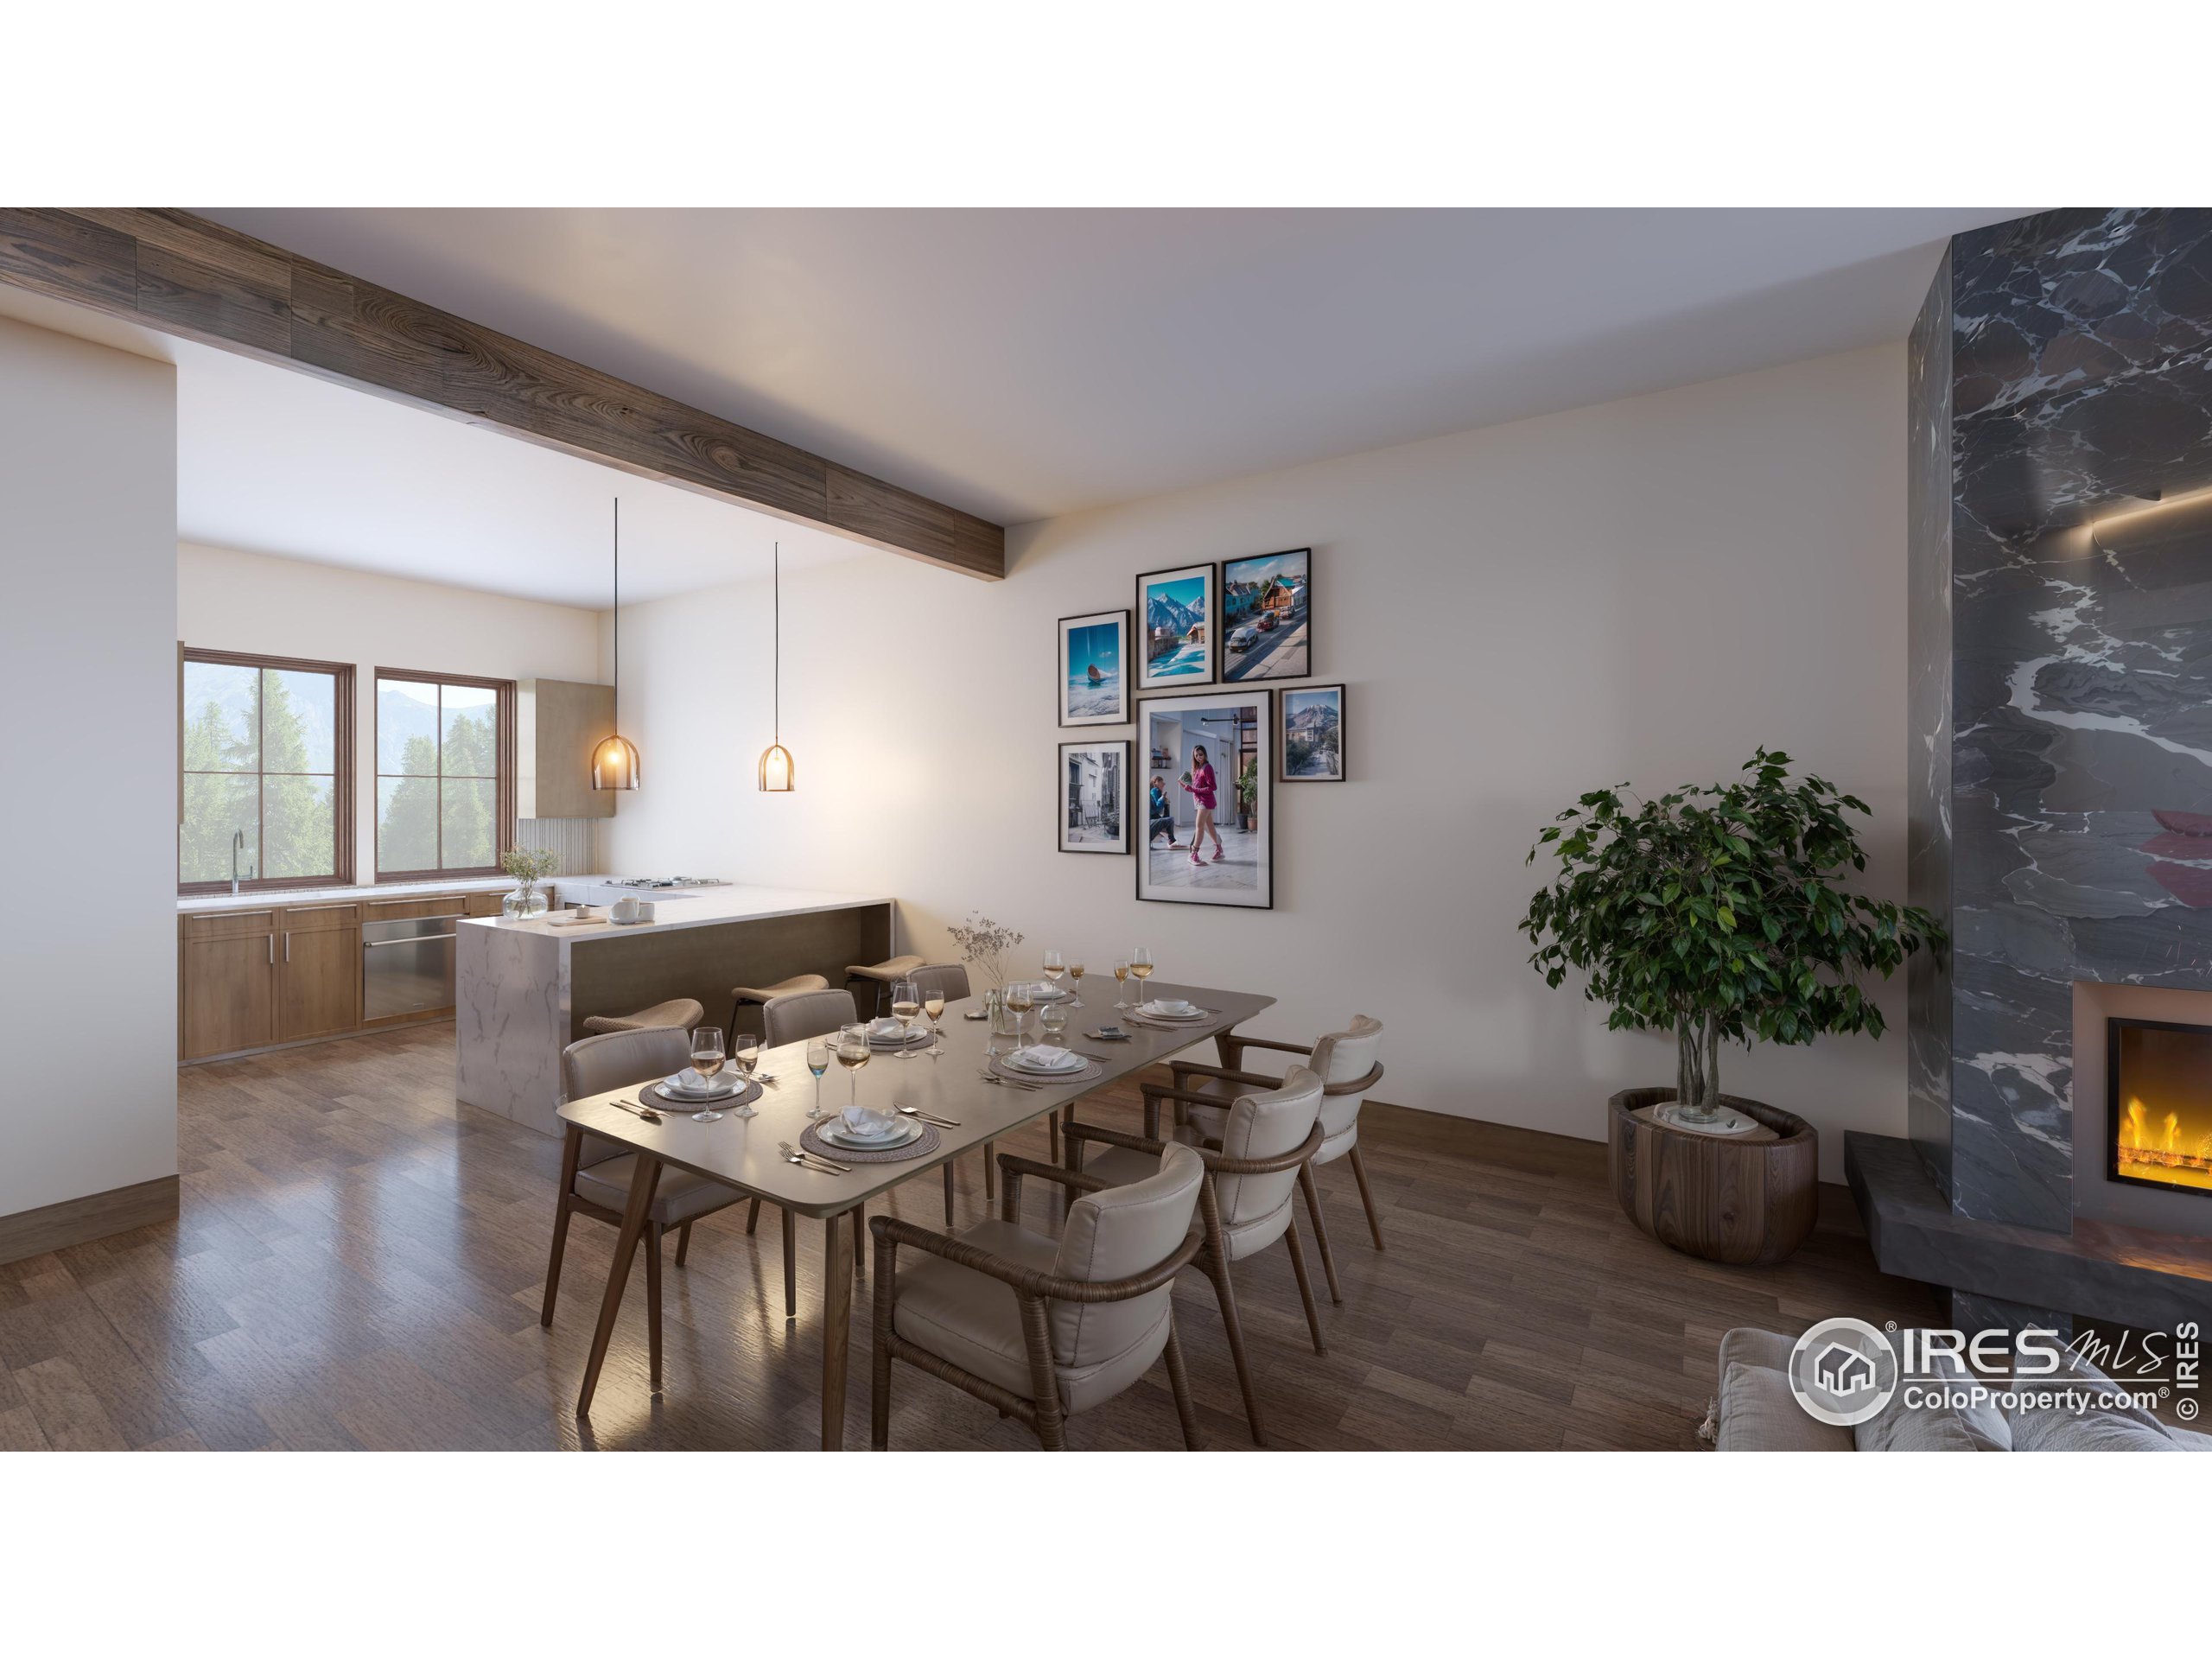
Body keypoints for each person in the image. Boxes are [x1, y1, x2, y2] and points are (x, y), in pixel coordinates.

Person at [1181, 745, 1225, 865]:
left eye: (1201, 754)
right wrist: (1188, 788)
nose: (1199, 757)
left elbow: (1212, 787)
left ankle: (1194, 854)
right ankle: (1219, 850)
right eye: (1196, 755)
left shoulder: (1207, 768)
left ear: (1205, 754)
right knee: (1210, 827)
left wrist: (1194, 790)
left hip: (1205, 802)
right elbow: (1196, 787)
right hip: (1200, 801)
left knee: (1199, 827)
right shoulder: (1197, 768)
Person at [1147, 775, 1177, 848]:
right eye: (1161, 781)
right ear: (1155, 783)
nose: (1163, 783)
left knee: (1169, 819)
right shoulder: (1155, 790)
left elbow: (1158, 812)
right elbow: (1158, 809)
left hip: (1152, 819)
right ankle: (1172, 840)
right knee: (1170, 819)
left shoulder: (1154, 791)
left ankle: (1172, 840)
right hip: (1150, 822)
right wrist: (1162, 798)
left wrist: (1165, 803)